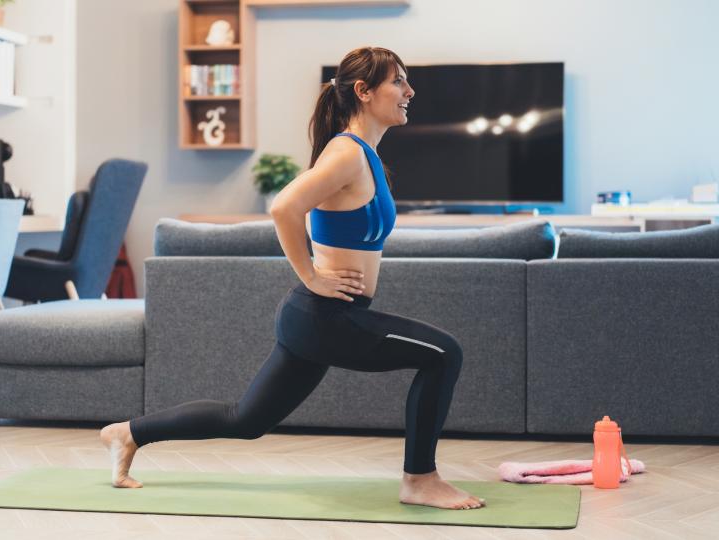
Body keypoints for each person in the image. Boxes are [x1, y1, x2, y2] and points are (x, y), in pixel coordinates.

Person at [100, 46, 484, 510]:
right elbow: (283, 207)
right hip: (324, 315)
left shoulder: (365, 155)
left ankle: (128, 434)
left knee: (246, 420)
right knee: (445, 354)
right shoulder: (346, 154)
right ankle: (420, 479)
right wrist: (312, 275)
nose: (410, 91)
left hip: (318, 317)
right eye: (398, 81)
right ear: (363, 92)